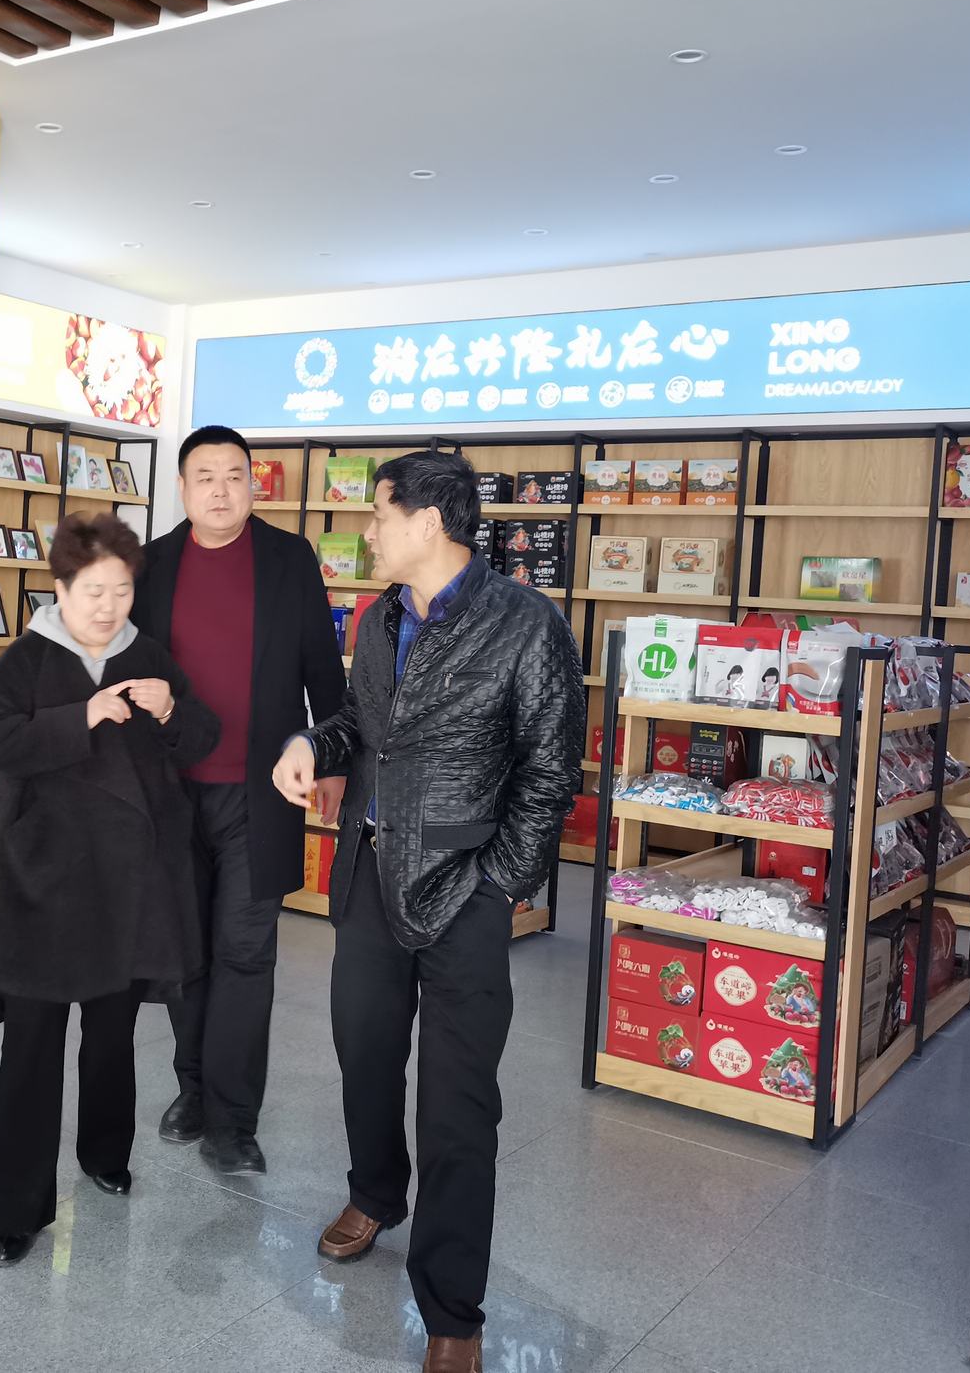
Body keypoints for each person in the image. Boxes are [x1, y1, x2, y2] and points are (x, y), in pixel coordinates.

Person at [271, 451, 584, 1373]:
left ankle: (453, 1311)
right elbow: (360, 723)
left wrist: (498, 886)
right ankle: (375, 1193)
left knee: (457, 1106)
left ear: (429, 523)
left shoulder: (526, 624)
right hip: (368, 876)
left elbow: (550, 771)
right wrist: (311, 743)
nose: (367, 531)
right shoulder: (379, 619)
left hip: (464, 889)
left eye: (379, 515)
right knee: (364, 1057)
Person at [0, 512, 219, 1268]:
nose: (109, 606)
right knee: (32, 1048)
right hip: (43, 886)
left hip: (128, 885)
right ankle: (16, 1212)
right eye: (93, 591)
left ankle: (105, 1154)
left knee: (112, 1036)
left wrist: (170, 708)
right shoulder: (25, 660)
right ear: (60, 589)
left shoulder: (146, 655)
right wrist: (81, 714)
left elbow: (200, 738)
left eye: (121, 591)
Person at [130, 425, 346, 1176]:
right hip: (169, 792)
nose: (221, 490)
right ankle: (192, 1089)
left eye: (234, 475)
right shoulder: (151, 565)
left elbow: (322, 665)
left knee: (246, 954)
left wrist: (333, 758)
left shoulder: (289, 558)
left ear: (254, 483)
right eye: (205, 477)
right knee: (186, 952)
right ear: (182, 488)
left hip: (262, 789)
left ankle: (233, 1120)